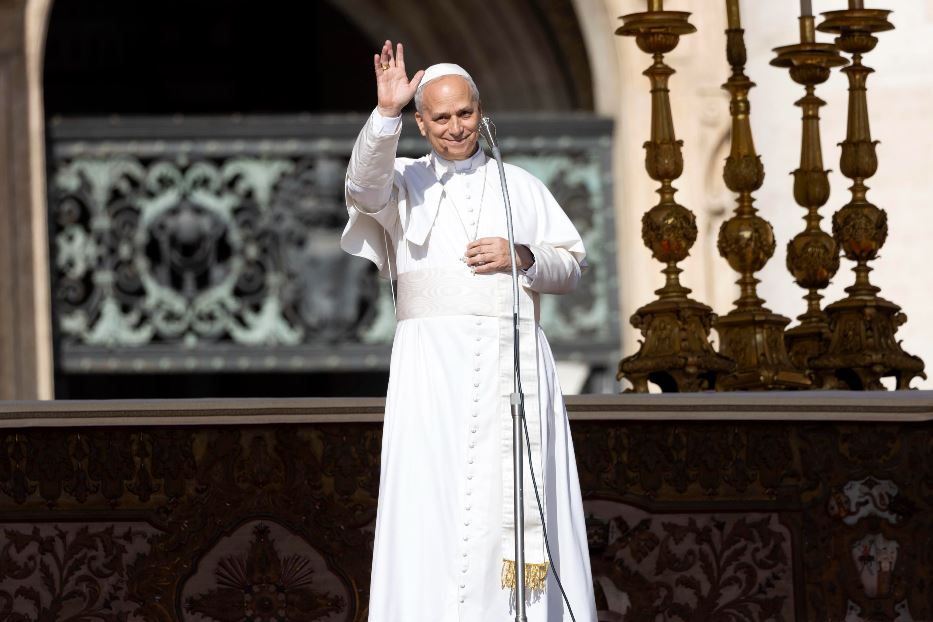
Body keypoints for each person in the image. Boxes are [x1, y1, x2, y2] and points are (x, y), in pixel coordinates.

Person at [341, 40, 597, 622]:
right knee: (435, 504)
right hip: (432, 376)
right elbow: (361, 188)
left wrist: (522, 255)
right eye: (441, 118)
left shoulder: (520, 185)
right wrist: (385, 114)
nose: (456, 128)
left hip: (513, 370)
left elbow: (571, 268)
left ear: (481, 112)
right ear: (421, 123)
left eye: (466, 113)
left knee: (510, 505)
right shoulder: (403, 183)